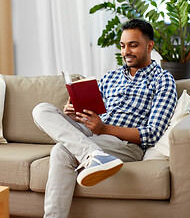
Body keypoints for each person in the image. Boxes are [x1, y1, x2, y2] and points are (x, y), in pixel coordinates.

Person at [32, 18, 177, 218]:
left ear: (150, 46)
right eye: (123, 46)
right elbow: (94, 112)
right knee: (41, 110)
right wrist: (77, 114)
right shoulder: (110, 77)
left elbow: (152, 134)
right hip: (92, 133)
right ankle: (94, 155)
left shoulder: (163, 80)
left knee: (61, 150)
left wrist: (104, 129)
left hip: (124, 143)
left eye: (133, 45)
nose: (126, 51)